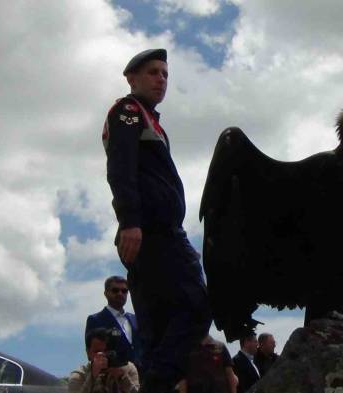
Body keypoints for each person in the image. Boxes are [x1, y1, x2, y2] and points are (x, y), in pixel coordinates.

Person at [103, 48, 211, 393]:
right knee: (197, 306)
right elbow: (120, 167)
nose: (161, 79)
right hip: (152, 232)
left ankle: (156, 382)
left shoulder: (151, 120)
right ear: (131, 78)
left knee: (158, 326)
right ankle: (157, 383)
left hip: (155, 233)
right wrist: (131, 221)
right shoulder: (129, 112)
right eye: (153, 72)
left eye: (165, 74)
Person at [85, 276, 142, 374]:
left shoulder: (136, 319)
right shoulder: (96, 319)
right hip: (112, 378)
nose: (120, 293)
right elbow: (92, 353)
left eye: (124, 291)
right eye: (115, 290)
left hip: (141, 377)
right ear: (106, 293)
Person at [69, 328, 140, 393]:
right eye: (97, 352)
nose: (103, 356)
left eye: (107, 351)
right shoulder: (79, 376)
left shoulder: (127, 369)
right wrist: (92, 377)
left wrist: (123, 378)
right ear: (88, 353)